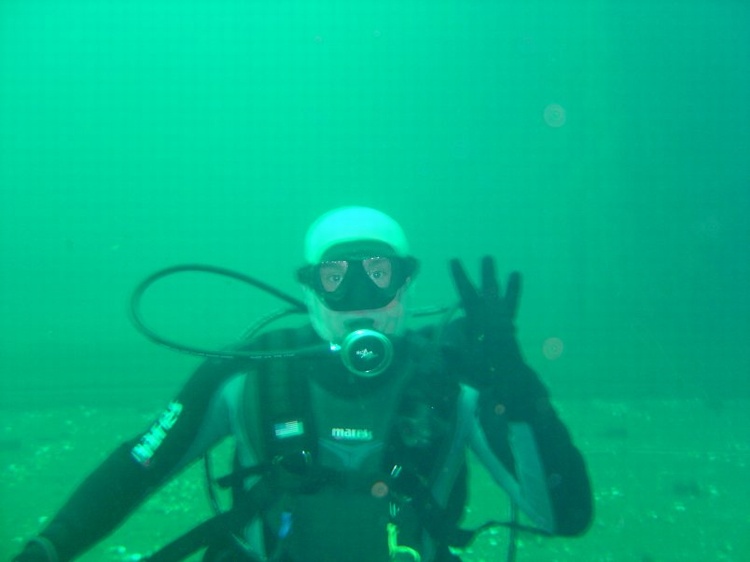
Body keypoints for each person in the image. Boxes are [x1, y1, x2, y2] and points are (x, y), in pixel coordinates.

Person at [13, 206, 592, 562]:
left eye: (379, 275)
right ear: (311, 290)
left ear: (406, 284)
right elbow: (138, 466)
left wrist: (519, 393)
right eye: (338, 278)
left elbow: (561, 517)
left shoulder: (453, 383)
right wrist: (48, 548)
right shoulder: (248, 374)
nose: (360, 300)